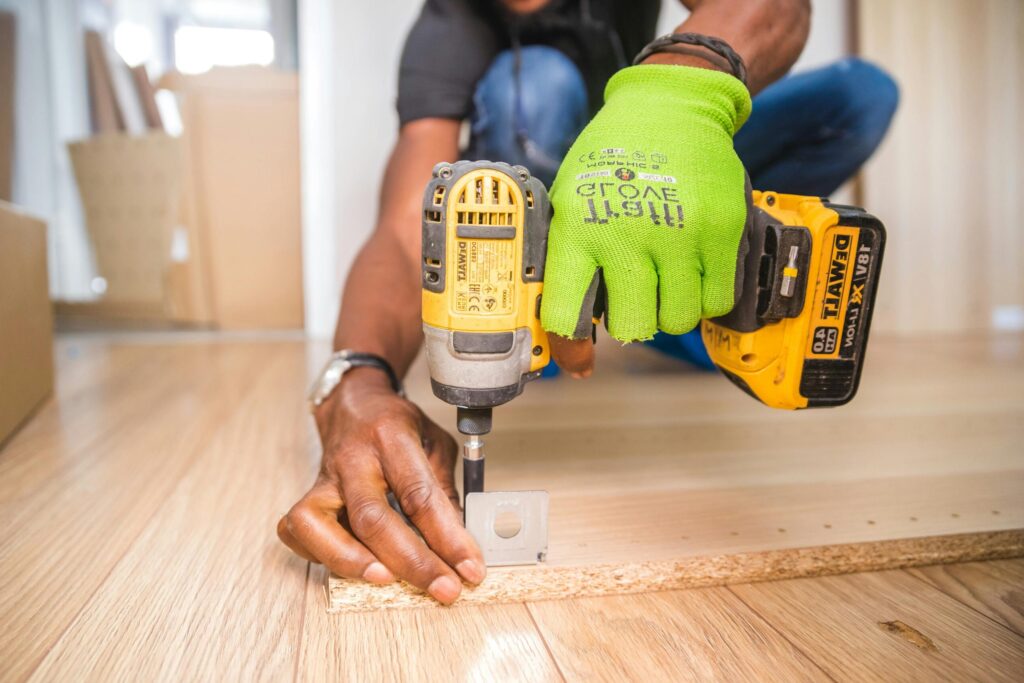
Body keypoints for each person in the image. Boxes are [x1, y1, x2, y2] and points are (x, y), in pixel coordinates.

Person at [277, 0, 899, 604]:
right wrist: (356, 381)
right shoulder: (448, 24)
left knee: (857, 94)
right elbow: (402, 231)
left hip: (660, 168)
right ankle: (587, 303)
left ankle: (672, 285)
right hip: (552, 220)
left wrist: (676, 92)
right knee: (535, 83)